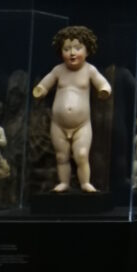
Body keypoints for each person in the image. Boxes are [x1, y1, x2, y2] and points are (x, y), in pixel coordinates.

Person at [32, 26, 112, 195]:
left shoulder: (89, 70)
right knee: (61, 156)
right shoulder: (58, 70)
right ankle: (64, 182)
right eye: (67, 49)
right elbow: (45, 83)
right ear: (60, 51)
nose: (72, 53)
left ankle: (85, 183)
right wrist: (41, 90)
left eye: (77, 48)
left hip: (82, 124)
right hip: (58, 124)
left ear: (87, 51)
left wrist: (104, 90)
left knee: (81, 154)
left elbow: (103, 83)